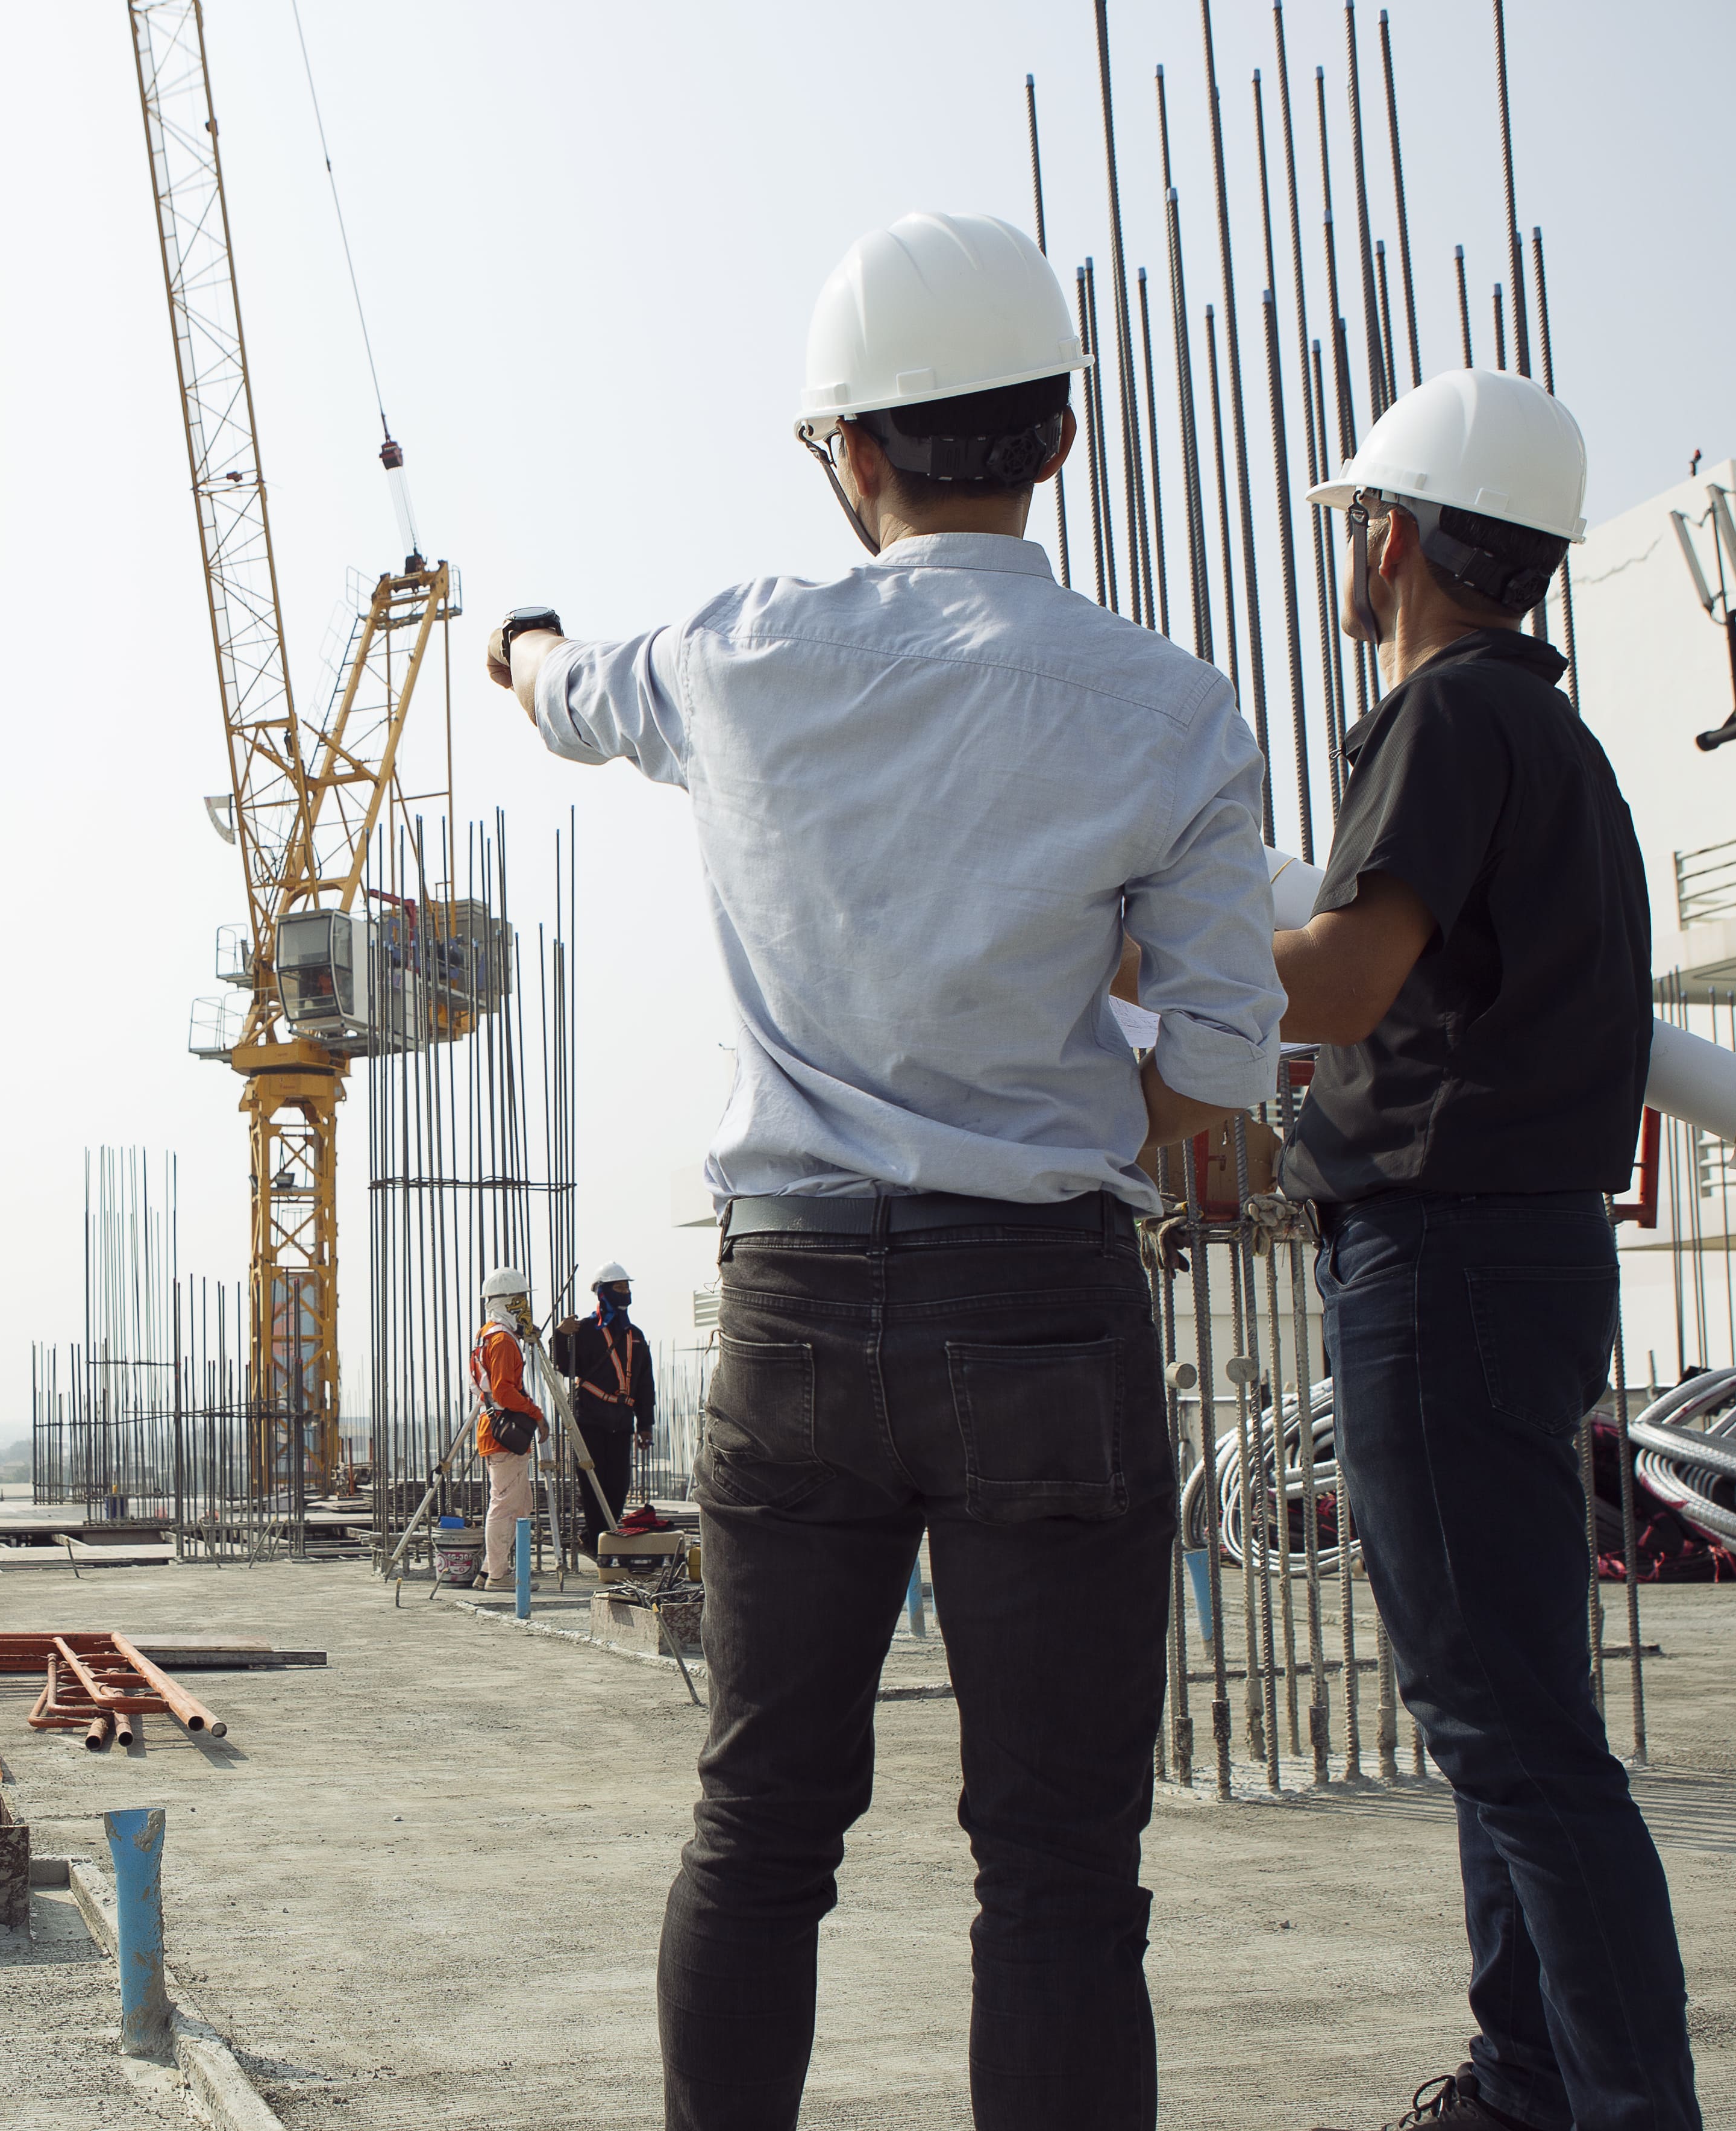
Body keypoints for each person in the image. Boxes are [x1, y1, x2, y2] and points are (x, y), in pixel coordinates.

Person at [496, 211, 1283, 2130]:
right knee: (1059, 1869)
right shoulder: (1169, 706)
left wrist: (517, 642)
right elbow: (1215, 1079)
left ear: (845, 447)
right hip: (1045, 1314)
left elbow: (562, 693)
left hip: (796, 1311)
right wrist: (1057, 1075)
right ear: (1059, 437)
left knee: (761, 1826)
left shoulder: (737, 653)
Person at [1275, 371, 1696, 2131]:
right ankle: (1525, 2085)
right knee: (1505, 1711)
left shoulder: (1443, 719)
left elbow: (1343, 982)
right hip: (1513, 1257)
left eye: (1356, 525)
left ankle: (1621, 2105)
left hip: (1440, 1261)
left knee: (1513, 1736)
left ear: (1392, 536)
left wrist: (1125, 965)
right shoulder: (1553, 739)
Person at [550, 1260, 657, 1557]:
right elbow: (564, 1367)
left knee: (619, 1485)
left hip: (621, 1421)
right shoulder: (585, 1330)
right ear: (603, 1293)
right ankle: (599, 1543)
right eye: (618, 1288)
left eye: (626, 1288)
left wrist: (645, 1425)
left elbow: (645, 1385)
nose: (625, 1293)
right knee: (592, 1484)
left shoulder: (635, 1336)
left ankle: (598, 1538)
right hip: (590, 1420)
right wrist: (561, 1336)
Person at [469, 1266, 545, 1592]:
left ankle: (490, 1570)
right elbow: (503, 1391)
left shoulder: (490, 1334)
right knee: (504, 1505)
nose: (526, 1306)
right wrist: (537, 1415)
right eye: (521, 1300)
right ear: (509, 1302)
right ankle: (498, 1577)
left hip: (497, 1427)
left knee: (520, 1504)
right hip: (505, 1429)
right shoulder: (502, 1341)